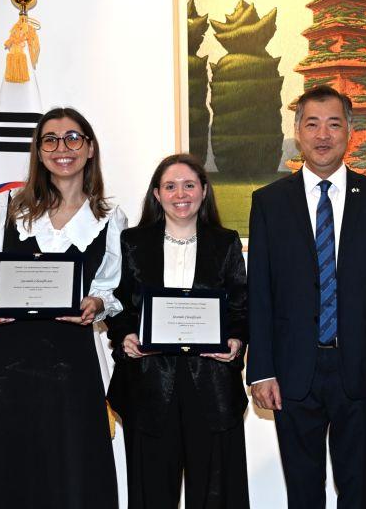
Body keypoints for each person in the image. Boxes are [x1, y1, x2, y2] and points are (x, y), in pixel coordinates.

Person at [0, 107, 125, 509]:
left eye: (73, 138)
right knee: (0, 471)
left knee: (68, 471)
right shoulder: (6, 205)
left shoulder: (110, 218)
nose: (63, 148)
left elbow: (110, 290)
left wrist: (96, 302)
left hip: (70, 367)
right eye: (51, 140)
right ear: (39, 152)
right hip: (3, 362)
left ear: (90, 148)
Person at [246, 85, 366, 508]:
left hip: (361, 370)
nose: (323, 134)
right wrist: (260, 370)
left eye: (333, 124)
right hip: (293, 370)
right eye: (311, 124)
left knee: (357, 493)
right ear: (297, 131)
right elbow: (260, 293)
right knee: (303, 493)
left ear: (349, 132)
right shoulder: (268, 203)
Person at [105, 153, 249, 509]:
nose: (180, 193)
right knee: (151, 493)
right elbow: (116, 302)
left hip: (212, 385)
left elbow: (242, 306)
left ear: (203, 190)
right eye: (170, 186)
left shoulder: (226, 242)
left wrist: (235, 341)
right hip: (148, 385)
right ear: (157, 193)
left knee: (216, 494)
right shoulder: (131, 242)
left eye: (189, 185)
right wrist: (124, 337)